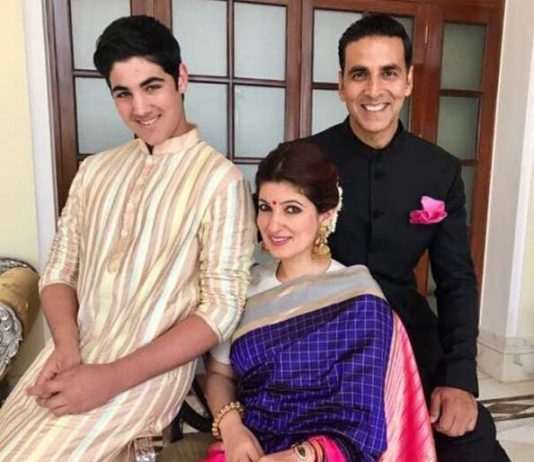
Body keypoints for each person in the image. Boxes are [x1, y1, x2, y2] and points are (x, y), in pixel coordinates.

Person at [0, 15, 255, 461]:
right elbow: (59, 270)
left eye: (152, 86)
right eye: (123, 93)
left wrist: (109, 378)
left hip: (144, 376)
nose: (140, 108)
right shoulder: (95, 171)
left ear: (181, 78)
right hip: (70, 352)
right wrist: (66, 347)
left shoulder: (220, 181)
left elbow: (220, 309)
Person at [308, 13, 508, 462]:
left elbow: (456, 280)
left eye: (389, 73)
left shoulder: (439, 169)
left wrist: (459, 378)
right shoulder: (304, 160)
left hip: (409, 332)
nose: (374, 90)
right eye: (359, 74)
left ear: (409, 81)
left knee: (471, 441)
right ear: (341, 84)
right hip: (323, 337)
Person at [201, 142, 436, 462]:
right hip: (250, 448)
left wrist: (302, 455)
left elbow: (364, 420)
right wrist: (232, 428)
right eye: (266, 207)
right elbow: (219, 375)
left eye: (292, 209)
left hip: (328, 455)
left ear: (325, 215)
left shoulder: (359, 298)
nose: (273, 224)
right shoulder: (244, 286)